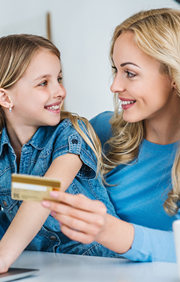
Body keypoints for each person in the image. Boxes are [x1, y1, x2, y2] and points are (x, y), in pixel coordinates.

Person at [42, 7, 180, 263]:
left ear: (173, 75)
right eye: (115, 70)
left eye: (130, 73)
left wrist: (109, 230)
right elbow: (36, 186)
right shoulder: (101, 131)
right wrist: (17, 187)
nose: (115, 86)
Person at [0, 34, 121, 273]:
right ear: (5, 97)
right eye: (43, 83)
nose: (60, 91)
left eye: (59, 78)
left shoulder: (71, 133)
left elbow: (44, 193)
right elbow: (14, 205)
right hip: (42, 266)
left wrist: (3, 257)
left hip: (101, 265)